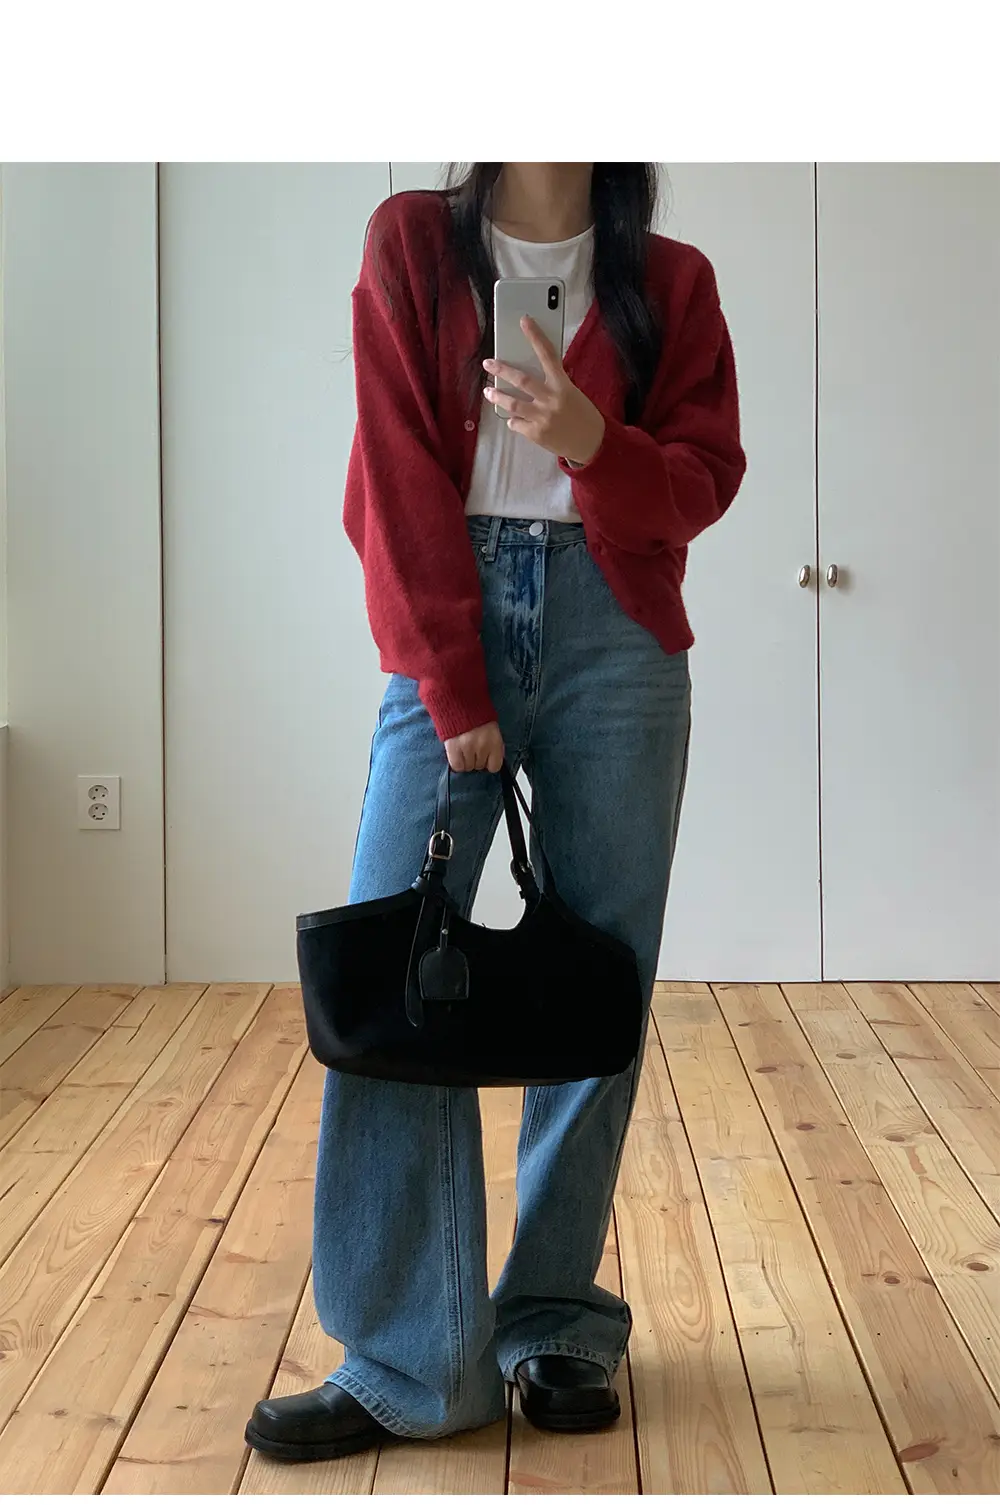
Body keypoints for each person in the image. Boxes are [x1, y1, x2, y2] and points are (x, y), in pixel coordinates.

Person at [246, 162, 745, 1463]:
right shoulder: (414, 242)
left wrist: (592, 441)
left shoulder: (671, 281)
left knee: (598, 975)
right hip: (449, 604)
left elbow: (702, 480)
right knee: (387, 974)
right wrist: (452, 678)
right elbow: (393, 470)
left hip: (617, 636)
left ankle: (554, 1315)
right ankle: (408, 1358)